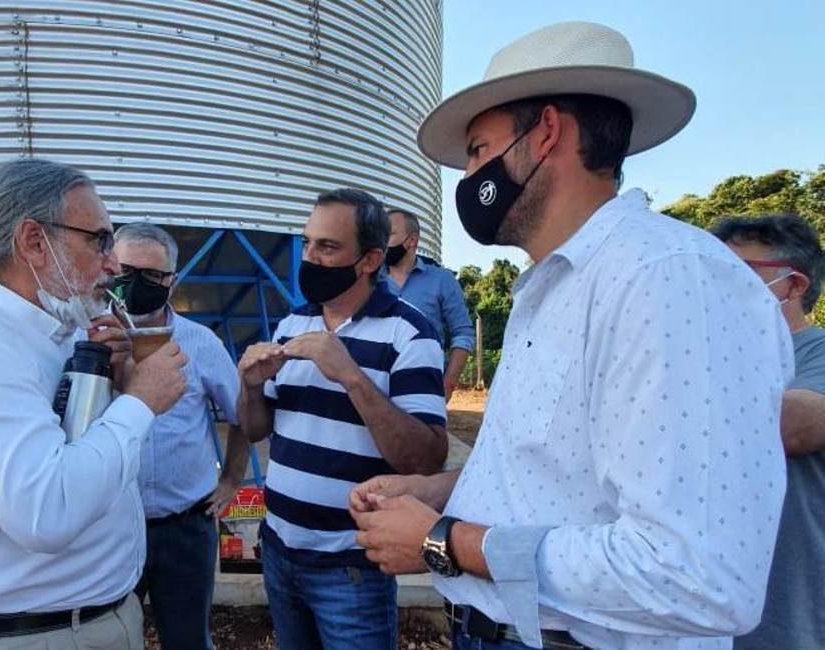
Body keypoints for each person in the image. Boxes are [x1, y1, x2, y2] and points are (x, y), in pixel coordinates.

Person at [350, 21, 792, 650]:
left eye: (478, 150)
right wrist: (440, 493)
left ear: (547, 133)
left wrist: (442, 540)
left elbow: (696, 574)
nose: (468, 175)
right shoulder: (553, 288)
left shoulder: (668, 280)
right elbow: (560, 484)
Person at [0, 159, 188, 649]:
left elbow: (76, 453)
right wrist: (139, 402)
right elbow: (47, 512)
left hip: (83, 622)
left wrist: (117, 385)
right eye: (100, 241)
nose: (113, 265)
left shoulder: (52, 333)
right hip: (24, 635)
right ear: (33, 241)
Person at [237, 188, 448, 650]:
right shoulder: (293, 324)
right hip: (279, 551)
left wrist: (352, 376)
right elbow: (255, 429)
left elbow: (427, 458)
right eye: (307, 243)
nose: (310, 257)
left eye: (328, 247)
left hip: (350, 568)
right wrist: (250, 387)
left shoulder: (410, 334)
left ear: (370, 259)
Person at [112, 223, 249, 650]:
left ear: (172, 281)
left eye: (152, 276)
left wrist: (232, 479)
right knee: (109, 638)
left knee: (188, 640)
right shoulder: (86, 339)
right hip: (110, 529)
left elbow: (243, 415)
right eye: (126, 272)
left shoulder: (200, 343)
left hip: (185, 528)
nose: (136, 285)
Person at [710, 214, 825, 650]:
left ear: (792, 285)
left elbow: (796, 426)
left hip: (788, 619)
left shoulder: (816, 352)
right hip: (708, 612)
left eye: (736, 273)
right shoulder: (713, 363)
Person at [384, 208, 475, 397]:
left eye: (389, 234)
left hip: (424, 387)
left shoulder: (442, 280)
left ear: (412, 240)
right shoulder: (368, 280)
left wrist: (448, 383)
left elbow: (463, 333)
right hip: (373, 386)